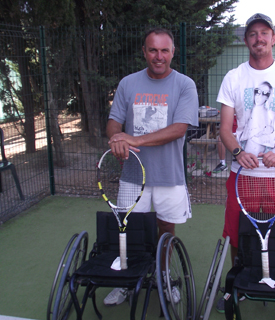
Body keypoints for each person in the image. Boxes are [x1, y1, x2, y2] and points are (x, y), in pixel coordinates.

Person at [215, 13, 275, 319]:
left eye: (264, 33)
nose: (258, 38)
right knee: (237, 233)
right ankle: (235, 286)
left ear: (274, 38)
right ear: (246, 40)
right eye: (252, 34)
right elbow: (225, 129)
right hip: (242, 177)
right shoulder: (233, 77)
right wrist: (238, 151)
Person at [104, 27, 199, 306]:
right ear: (144, 52)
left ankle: (164, 277)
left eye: (164, 50)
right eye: (153, 50)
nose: (159, 56)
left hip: (169, 175)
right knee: (129, 230)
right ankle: (126, 281)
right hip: (133, 175)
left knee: (165, 230)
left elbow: (179, 129)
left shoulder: (184, 85)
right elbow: (114, 121)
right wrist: (115, 138)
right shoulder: (128, 83)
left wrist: (133, 138)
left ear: (173, 52)